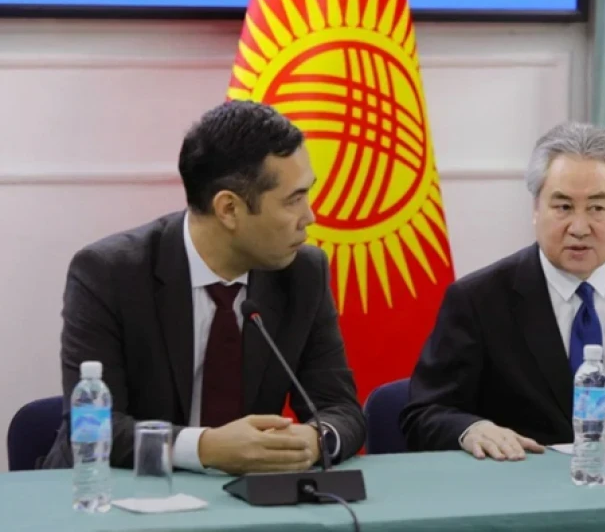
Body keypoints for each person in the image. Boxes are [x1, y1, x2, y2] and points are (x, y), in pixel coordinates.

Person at [43, 101, 366, 474]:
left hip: (246, 496)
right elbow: (92, 427)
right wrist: (205, 448)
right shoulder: (109, 273)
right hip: (115, 493)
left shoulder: (303, 273)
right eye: (293, 200)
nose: (309, 216)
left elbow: (341, 411)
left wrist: (314, 439)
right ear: (228, 209)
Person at [400, 122, 605, 461]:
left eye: (596, 208)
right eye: (563, 207)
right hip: (521, 480)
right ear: (536, 209)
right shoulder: (479, 299)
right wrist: (471, 429)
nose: (579, 228)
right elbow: (425, 412)